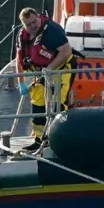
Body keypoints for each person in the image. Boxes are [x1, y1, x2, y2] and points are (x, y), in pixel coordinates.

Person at [16, 8, 74, 150]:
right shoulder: (22, 36)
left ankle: (57, 139)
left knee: (57, 103)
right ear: (24, 25)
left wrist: (50, 69)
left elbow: (66, 51)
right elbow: (20, 59)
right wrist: (21, 83)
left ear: (38, 17)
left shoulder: (52, 30)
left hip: (61, 68)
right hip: (41, 72)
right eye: (29, 24)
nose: (33, 26)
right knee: (38, 104)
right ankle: (38, 139)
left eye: (35, 21)